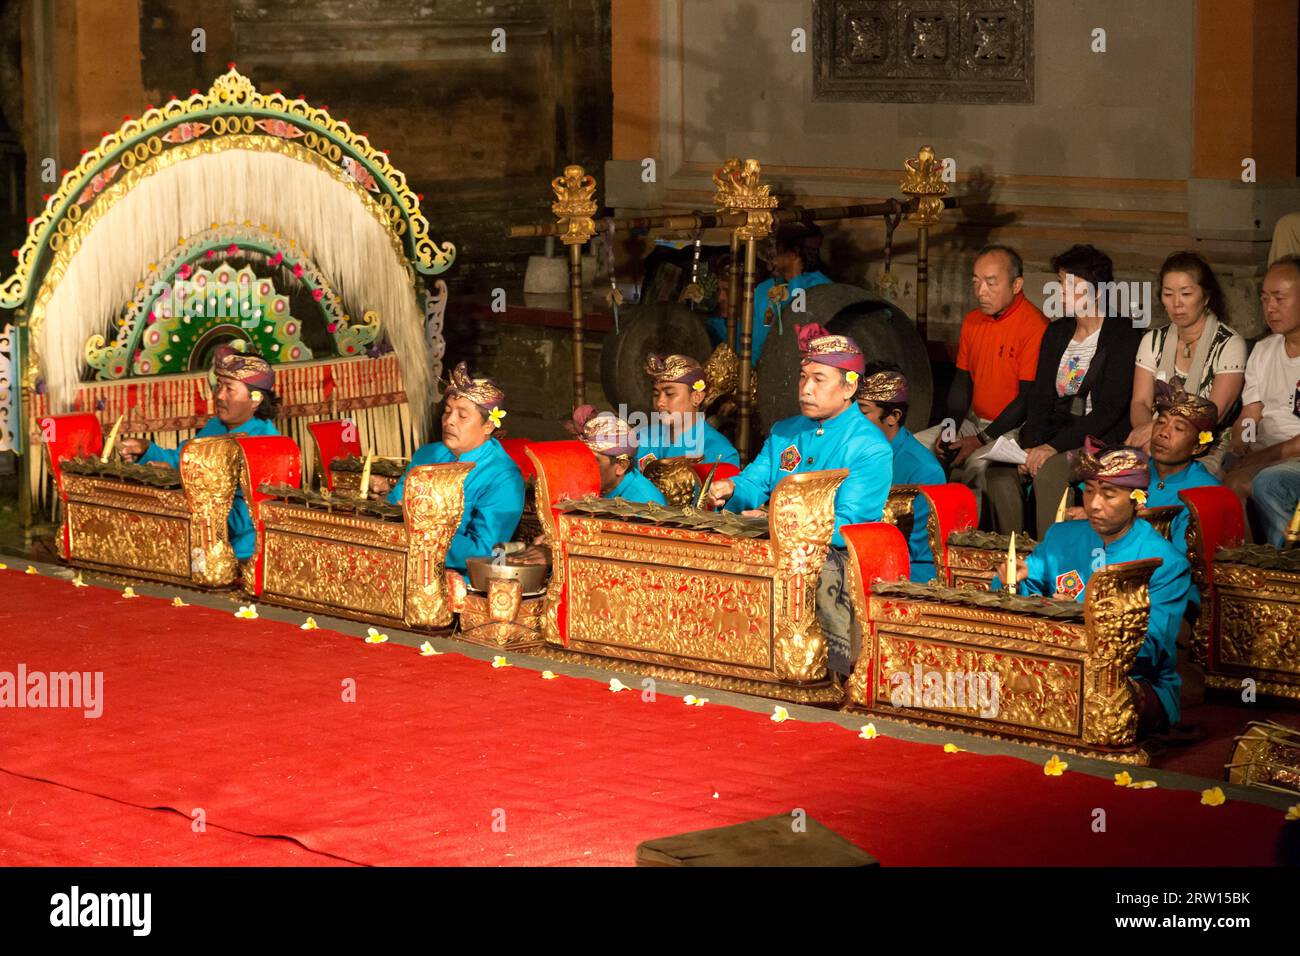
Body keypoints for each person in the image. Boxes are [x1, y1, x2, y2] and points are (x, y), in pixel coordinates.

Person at [707, 323, 892, 676]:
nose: (806, 389)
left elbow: (849, 525)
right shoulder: (785, 431)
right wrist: (731, 488)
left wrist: (774, 524)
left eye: (819, 379)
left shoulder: (869, 447)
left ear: (849, 385)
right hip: (769, 537)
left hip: (829, 554)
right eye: (803, 377)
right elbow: (755, 481)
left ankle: (832, 670)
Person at [995, 440, 1190, 738]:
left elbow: (1153, 649)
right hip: (1056, 665)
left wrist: (1084, 620)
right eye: (1089, 492)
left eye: (1109, 495)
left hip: (1129, 678)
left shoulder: (1165, 563)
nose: (1094, 504)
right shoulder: (1062, 536)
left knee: (1103, 696)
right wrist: (1013, 582)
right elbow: (1020, 597)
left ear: (1138, 500)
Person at [984, 244, 1143, 537]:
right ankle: (1015, 552)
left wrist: (1051, 449)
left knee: (1050, 473)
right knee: (998, 472)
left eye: (1072, 285)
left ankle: (1051, 555)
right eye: (1061, 284)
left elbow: (1110, 409)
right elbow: (1040, 396)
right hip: (1054, 433)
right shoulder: (1057, 332)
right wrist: (1032, 445)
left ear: (1096, 291)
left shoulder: (1122, 334)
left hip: (1098, 441)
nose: (1063, 292)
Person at [118, 342, 280, 561]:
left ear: (255, 399)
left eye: (229, 388)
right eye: (219, 386)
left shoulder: (266, 443)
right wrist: (146, 451)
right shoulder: (216, 426)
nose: (219, 396)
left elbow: (251, 516)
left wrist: (185, 483)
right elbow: (181, 459)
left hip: (243, 551)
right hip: (201, 535)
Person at [915, 245, 1047, 503]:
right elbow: (961, 384)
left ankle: (969, 540)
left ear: (1016, 284)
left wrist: (980, 440)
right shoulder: (973, 321)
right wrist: (951, 428)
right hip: (975, 421)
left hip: (1014, 428)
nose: (980, 291)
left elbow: (1026, 399)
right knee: (917, 447)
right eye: (976, 282)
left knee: (977, 465)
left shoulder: (1035, 326)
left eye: (990, 283)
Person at [375, 362, 524, 578]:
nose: (449, 421)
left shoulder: (503, 478)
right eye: (447, 411)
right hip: (400, 564)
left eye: (462, 416)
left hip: (456, 579)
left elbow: (485, 551)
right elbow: (393, 508)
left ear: (488, 426)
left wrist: (426, 530)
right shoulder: (427, 455)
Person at [1125, 251, 1246, 474]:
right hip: (1152, 443)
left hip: (1204, 447)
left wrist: (1158, 428)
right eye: (1168, 294)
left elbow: (1211, 413)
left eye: (1186, 293)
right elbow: (1140, 402)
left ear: (1206, 296)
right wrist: (1152, 435)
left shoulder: (1229, 344)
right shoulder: (1152, 340)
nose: (1176, 304)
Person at [1223, 256, 1300, 547]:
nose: (1270, 308)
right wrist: (1240, 445)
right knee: (1210, 473)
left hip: (1290, 458)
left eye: (1279, 298)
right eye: (1265, 298)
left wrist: (1257, 459)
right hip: (1263, 452)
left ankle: (1278, 565)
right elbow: (1251, 414)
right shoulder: (1265, 350)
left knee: (1258, 482)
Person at [857, 361, 946, 583]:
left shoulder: (925, 471)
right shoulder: (851, 451)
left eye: (863, 411)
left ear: (893, 416)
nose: (853, 420)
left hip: (906, 574)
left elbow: (914, 549)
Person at [707, 222, 832, 365]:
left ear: (793, 254)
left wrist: (795, 277)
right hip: (755, 367)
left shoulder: (820, 286)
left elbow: (798, 319)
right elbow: (752, 339)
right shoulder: (765, 288)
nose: (773, 258)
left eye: (777, 251)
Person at [636, 354, 739, 470]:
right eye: (656, 394)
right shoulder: (641, 438)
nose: (660, 402)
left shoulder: (720, 453)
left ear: (697, 397)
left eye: (669, 394)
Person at [571, 405, 668, 505]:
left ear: (621, 466)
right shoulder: (596, 487)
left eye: (595, 461)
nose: (585, 466)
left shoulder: (645, 504)